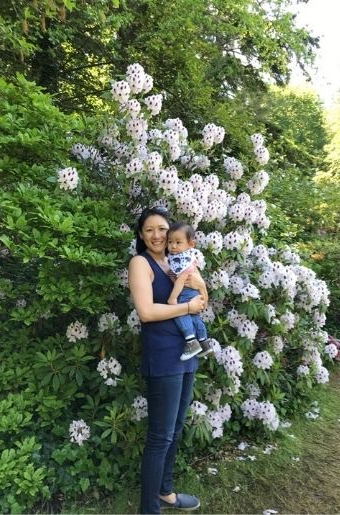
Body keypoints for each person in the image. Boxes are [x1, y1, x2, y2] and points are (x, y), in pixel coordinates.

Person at [128, 206, 205, 513]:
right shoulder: (140, 263)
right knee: (160, 436)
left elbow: (202, 298)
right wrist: (187, 308)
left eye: (162, 229)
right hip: (163, 358)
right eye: (150, 230)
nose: (157, 235)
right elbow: (146, 313)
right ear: (141, 235)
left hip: (188, 354)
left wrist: (199, 292)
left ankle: (166, 492)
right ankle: (149, 510)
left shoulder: (177, 260)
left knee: (176, 429)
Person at [166, 222, 213, 361]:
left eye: (178, 242)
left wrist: (173, 298)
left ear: (191, 244)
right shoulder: (184, 258)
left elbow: (181, 281)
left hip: (186, 294)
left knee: (180, 312)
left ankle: (191, 340)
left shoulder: (183, 260)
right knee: (195, 318)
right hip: (194, 293)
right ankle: (204, 342)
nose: (173, 246)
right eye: (170, 242)